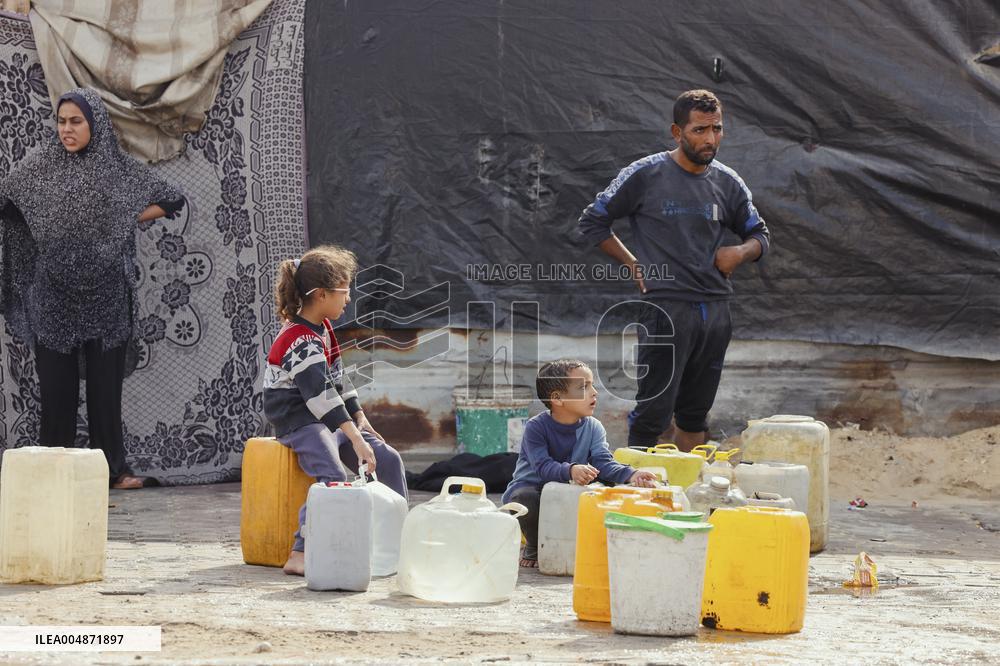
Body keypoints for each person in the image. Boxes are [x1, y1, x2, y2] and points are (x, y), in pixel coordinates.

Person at [0, 87, 184, 489]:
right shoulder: (37, 169)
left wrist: (126, 220)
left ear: (94, 124)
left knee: (105, 392)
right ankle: (54, 471)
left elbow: (172, 200)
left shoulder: (116, 169)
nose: (66, 129)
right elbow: (8, 206)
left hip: (106, 296)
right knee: (56, 392)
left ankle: (113, 471)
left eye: (75, 121)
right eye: (62, 121)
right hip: (53, 298)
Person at [578, 89, 771, 451]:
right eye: (699, 130)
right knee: (653, 411)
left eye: (716, 129)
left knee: (695, 413)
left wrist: (741, 252)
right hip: (666, 308)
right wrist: (632, 262)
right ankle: (637, 496)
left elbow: (760, 234)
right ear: (676, 132)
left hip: (715, 310)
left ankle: (690, 493)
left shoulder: (728, 182)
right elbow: (593, 222)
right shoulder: (645, 174)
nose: (710, 139)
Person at [262, 244, 408, 576]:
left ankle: (397, 540)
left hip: (327, 419)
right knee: (334, 476)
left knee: (387, 458)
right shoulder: (298, 339)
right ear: (321, 294)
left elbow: (339, 380)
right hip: (299, 421)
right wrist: (355, 439)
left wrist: (361, 421)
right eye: (344, 291)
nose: (348, 299)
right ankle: (301, 551)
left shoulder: (324, 329)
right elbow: (320, 397)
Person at [502, 359, 658, 568]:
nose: (594, 392)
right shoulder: (536, 427)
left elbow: (604, 463)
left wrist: (632, 474)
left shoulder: (594, 427)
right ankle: (534, 543)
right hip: (535, 489)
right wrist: (571, 470)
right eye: (583, 387)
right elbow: (543, 467)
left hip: (570, 491)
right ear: (557, 398)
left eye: (592, 385)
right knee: (523, 498)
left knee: (603, 492)